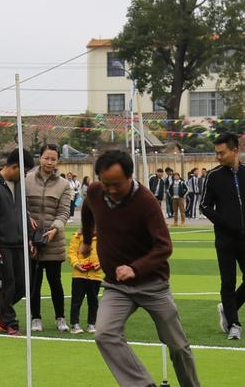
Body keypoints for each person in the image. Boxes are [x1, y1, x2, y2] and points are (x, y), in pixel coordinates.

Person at [82, 150, 200, 387]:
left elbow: (164, 246)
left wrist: (135, 268)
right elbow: (88, 209)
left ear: (130, 177)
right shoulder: (95, 191)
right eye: (107, 184)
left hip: (153, 285)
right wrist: (87, 239)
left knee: (178, 346)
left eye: (117, 184)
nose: (111, 190)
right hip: (117, 287)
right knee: (104, 334)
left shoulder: (146, 202)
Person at [200, 132, 245, 340]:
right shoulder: (214, 176)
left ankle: (227, 308)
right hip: (225, 239)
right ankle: (234, 324)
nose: (218, 157)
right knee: (227, 282)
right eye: (216, 153)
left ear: (235, 150)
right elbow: (204, 205)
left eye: (222, 153)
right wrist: (223, 221)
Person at [0, 148, 35, 336]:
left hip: (20, 242)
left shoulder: (19, 184)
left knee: (25, 284)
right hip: (2, 244)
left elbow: (23, 211)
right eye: (24, 171)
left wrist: (28, 237)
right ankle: (10, 323)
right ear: (14, 167)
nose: (25, 175)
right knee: (7, 284)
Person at [26, 144, 73, 333]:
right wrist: (27, 217)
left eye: (53, 159)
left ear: (58, 161)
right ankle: (35, 318)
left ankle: (60, 318)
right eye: (46, 158)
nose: (49, 162)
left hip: (53, 241)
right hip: (32, 240)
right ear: (40, 158)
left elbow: (64, 212)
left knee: (56, 283)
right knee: (34, 285)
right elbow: (20, 205)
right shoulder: (27, 180)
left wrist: (54, 229)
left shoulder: (64, 184)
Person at [66, 229, 102, 334]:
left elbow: (106, 253)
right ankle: (74, 324)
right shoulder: (77, 236)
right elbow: (72, 253)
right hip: (78, 275)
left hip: (95, 276)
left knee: (93, 301)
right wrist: (77, 264)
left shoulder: (103, 238)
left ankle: (92, 323)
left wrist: (100, 264)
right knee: (76, 301)